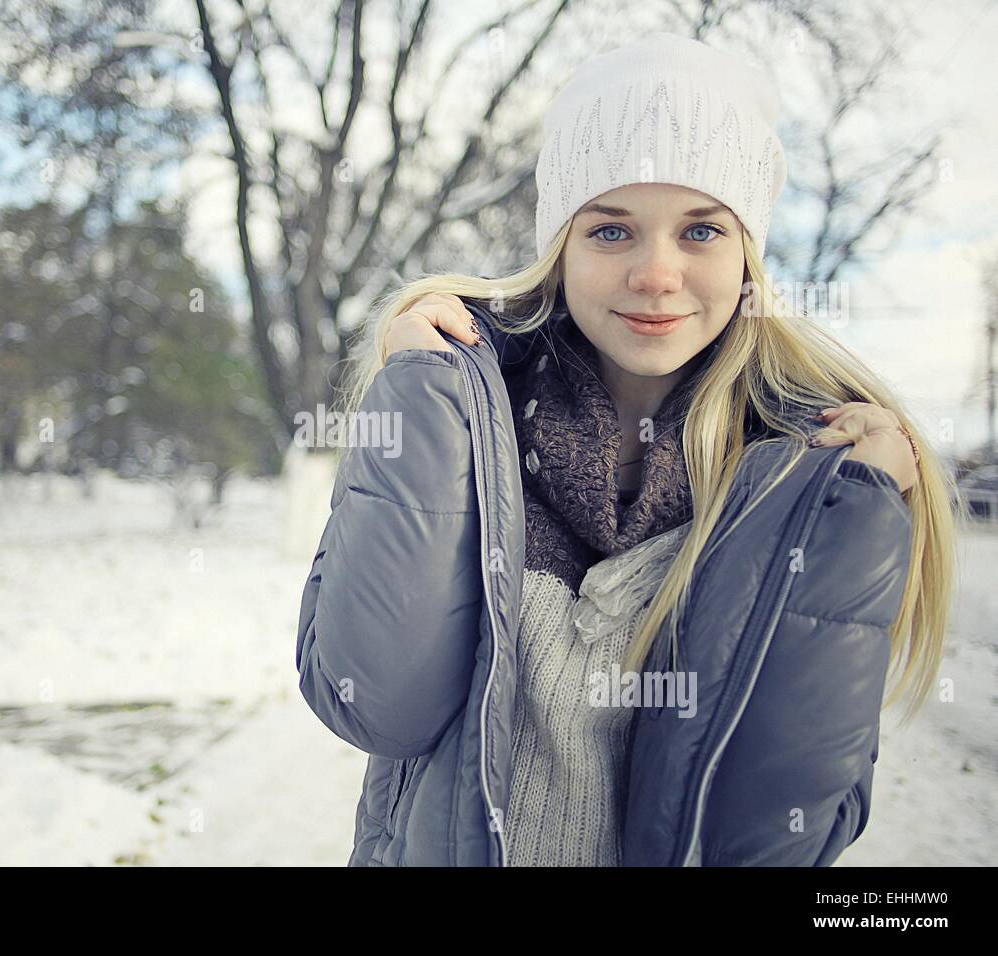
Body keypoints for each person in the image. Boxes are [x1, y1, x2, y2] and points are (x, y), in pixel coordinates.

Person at [295, 31, 957, 867]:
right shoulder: (465, 414)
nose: (656, 272)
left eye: (701, 232)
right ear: (559, 247)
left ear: (748, 255)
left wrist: (844, 516)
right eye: (611, 231)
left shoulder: (805, 477)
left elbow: (766, 841)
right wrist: (422, 404)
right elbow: (379, 703)